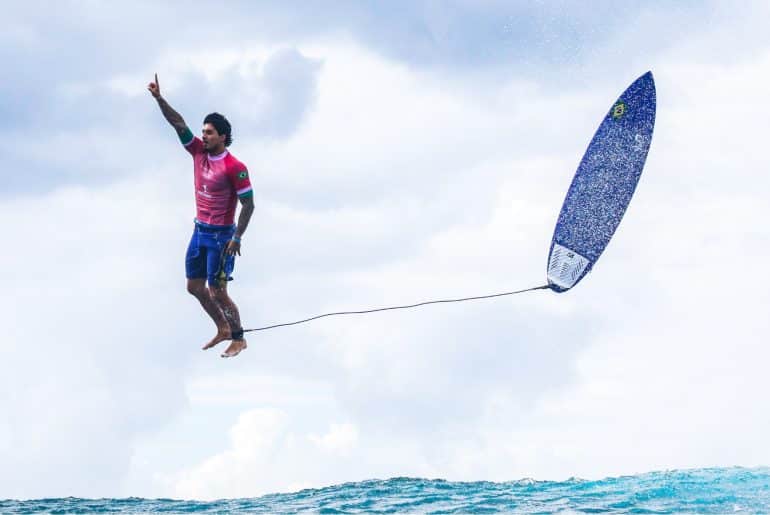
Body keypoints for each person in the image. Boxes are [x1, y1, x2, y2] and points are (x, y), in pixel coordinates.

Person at [148, 74, 254, 358]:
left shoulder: (235, 167)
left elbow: (249, 205)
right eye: (203, 132)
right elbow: (178, 123)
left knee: (217, 290)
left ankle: (239, 337)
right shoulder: (198, 152)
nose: (203, 136)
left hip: (221, 237)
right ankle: (222, 327)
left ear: (222, 136)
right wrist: (159, 99)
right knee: (194, 287)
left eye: (208, 132)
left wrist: (237, 237)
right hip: (199, 231)